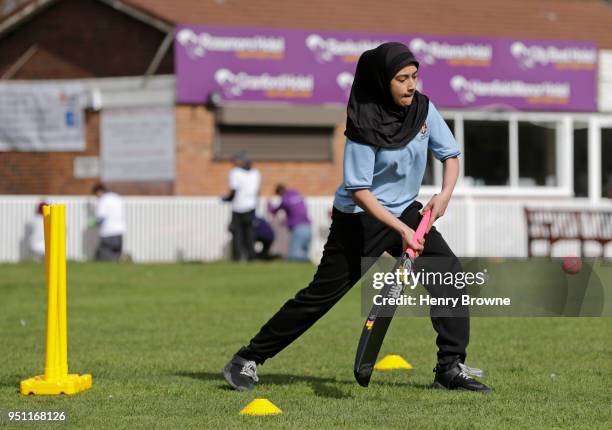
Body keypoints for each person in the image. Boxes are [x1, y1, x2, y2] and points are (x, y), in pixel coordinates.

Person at [222, 43, 491, 393]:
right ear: (381, 81)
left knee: (449, 275)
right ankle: (248, 359)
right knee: (321, 297)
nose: (411, 86)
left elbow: (451, 155)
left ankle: (450, 368)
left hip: (406, 210)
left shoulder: (423, 110)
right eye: (401, 79)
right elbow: (360, 191)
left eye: (414, 77)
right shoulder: (363, 127)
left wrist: (444, 194)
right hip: (360, 219)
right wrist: (402, 231)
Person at [222, 152, 261, 261]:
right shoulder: (256, 173)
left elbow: (233, 191)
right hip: (251, 207)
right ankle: (251, 257)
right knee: (250, 234)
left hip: (238, 207)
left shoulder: (235, 172)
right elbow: (257, 192)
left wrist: (225, 199)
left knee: (237, 234)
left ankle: (237, 257)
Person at [268, 184, 312, 261]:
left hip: (297, 229)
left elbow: (274, 211)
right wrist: (286, 222)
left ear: (279, 193)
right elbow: (297, 212)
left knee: (293, 257)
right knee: (305, 253)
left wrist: (269, 206)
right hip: (308, 228)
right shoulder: (297, 193)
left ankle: (311, 260)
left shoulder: (285, 199)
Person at [91, 183, 126, 261]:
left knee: (105, 257)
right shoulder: (116, 198)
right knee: (116, 256)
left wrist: (92, 223)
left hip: (107, 232)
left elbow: (101, 218)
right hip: (119, 231)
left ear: (98, 192)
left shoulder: (103, 200)